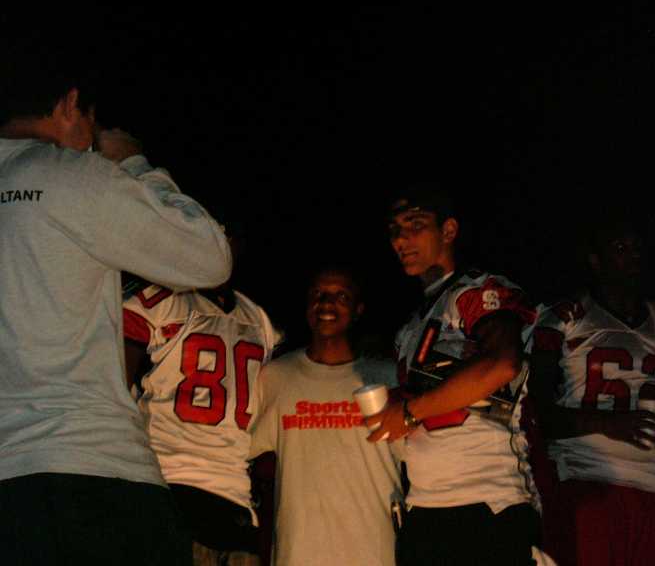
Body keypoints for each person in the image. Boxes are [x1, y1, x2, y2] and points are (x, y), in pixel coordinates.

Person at [0, 47, 231, 564]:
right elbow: (209, 256)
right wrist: (131, 162)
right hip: (93, 471)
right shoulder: (73, 174)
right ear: (70, 104)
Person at [531, 217, 655, 566]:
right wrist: (607, 423)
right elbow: (536, 413)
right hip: (584, 480)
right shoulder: (565, 318)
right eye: (620, 249)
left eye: (637, 249)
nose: (633, 257)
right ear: (596, 260)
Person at [368, 187, 541, 566]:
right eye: (394, 229)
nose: (400, 239)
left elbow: (502, 363)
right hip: (424, 506)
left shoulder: (478, 290)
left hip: (487, 501)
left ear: (448, 230)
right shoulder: (411, 326)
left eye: (414, 224)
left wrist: (410, 411)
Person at [123, 224, 281, 565]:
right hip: (169, 483)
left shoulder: (258, 319)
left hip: (236, 494)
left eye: (226, 235)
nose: (217, 244)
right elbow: (113, 385)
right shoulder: (162, 299)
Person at [249, 266, 401, 566]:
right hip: (298, 552)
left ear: (358, 310)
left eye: (340, 296)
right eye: (318, 294)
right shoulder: (276, 377)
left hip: (373, 550)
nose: (326, 304)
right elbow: (240, 448)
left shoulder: (387, 377)